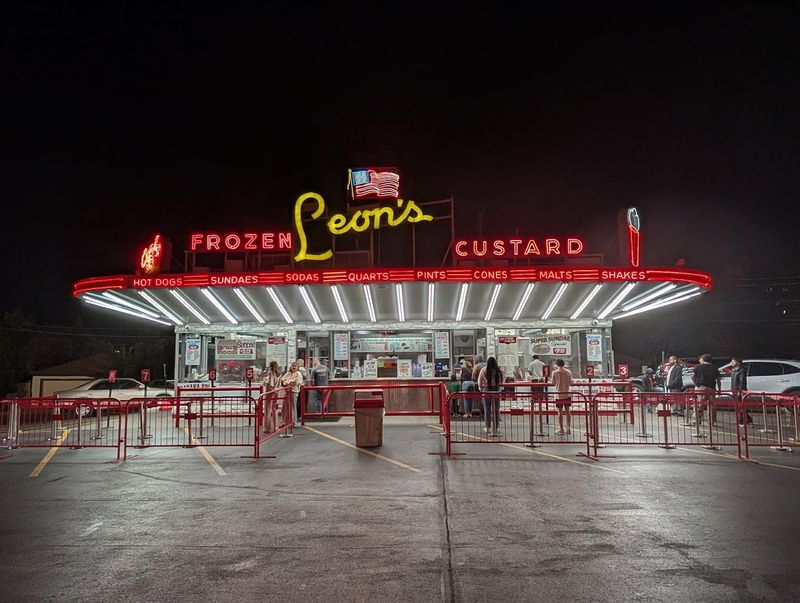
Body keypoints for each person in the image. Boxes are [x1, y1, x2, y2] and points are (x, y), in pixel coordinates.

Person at [691, 353, 721, 428]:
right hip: (711, 388)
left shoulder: (698, 366)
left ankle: (697, 420)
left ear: (703, 359)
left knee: (699, 404)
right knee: (712, 405)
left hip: (701, 387)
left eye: (700, 359)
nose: (699, 360)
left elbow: (692, 376)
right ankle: (711, 421)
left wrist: (696, 384)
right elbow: (718, 379)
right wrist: (719, 389)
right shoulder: (714, 368)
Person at [478, 356, 503, 436]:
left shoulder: (484, 370)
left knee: (487, 409)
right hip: (496, 390)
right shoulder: (498, 370)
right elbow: (501, 381)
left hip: (487, 390)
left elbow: (480, 381)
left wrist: (481, 389)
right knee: (496, 409)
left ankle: (488, 427)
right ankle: (496, 427)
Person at [552, 358, 573, 434]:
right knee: (568, 411)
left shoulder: (555, 372)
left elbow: (553, 383)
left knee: (560, 412)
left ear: (557, 364)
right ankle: (568, 428)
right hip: (567, 394)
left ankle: (561, 429)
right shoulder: (568, 372)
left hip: (559, 395)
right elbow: (571, 382)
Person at [730, 356, 752, 426]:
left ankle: (742, 419)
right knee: (739, 405)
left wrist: (740, 390)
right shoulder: (733, 370)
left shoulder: (741, 370)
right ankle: (747, 419)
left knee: (740, 406)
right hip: (734, 389)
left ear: (738, 363)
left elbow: (742, 381)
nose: (732, 363)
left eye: (733, 362)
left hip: (739, 390)